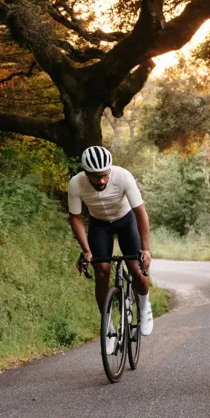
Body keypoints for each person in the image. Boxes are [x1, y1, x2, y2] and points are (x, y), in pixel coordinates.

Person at [68, 145, 154, 338]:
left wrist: (145, 249)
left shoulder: (123, 176)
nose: (102, 180)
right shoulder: (76, 184)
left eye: (105, 175)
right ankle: (107, 325)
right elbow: (75, 218)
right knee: (101, 271)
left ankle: (144, 306)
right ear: (85, 173)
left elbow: (140, 212)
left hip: (126, 220)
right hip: (99, 225)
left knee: (135, 265)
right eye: (96, 176)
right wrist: (86, 250)